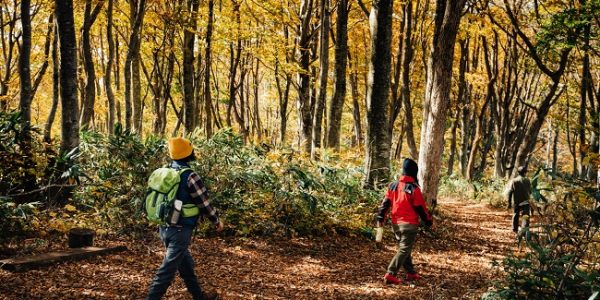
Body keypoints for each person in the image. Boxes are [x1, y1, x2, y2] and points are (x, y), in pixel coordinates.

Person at [147, 137, 224, 300]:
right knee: (167, 270)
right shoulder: (190, 176)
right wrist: (216, 220)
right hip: (181, 230)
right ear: (189, 154)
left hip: (164, 227)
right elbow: (204, 203)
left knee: (185, 264)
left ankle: (199, 296)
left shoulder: (166, 171)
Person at [377, 158, 433, 285]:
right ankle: (390, 273)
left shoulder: (393, 185)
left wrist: (381, 217)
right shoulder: (414, 188)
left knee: (405, 248)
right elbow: (421, 208)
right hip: (409, 225)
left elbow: (385, 204)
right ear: (414, 172)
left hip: (395, 224)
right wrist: (428, 221)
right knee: (404, 249)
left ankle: (411, 272)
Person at [506, 166, 531, 234]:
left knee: (515, 214)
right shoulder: (527, 180)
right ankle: (525, 230)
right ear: (525, 173)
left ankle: (515, 229)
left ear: (518, 172)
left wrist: (509, 202)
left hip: (517, 201)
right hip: (526, 201)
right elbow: (530, 192)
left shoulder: (514, 181)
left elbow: (510, 192)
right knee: (525, 216)